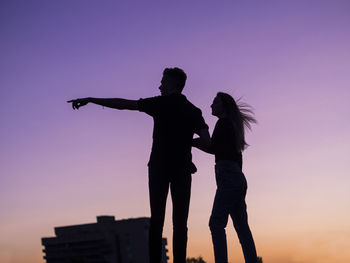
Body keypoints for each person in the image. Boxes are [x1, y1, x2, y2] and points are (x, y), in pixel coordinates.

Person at [67, 67, 210, 263]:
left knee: (157, 221)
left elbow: (123, 104)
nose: (159, 85)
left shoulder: (160, 104)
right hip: (182, 169)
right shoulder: (194, 111)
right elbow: (207, 141)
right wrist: (185, 142)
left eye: (163, 81)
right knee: (180, 223)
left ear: (173, 84)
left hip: (159, 168)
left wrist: (91, 99)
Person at [192, 92, 258, 263]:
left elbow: (212, 147)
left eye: (215, 102)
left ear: (224, 106)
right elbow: (216, 149)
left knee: (216, 223)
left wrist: (191, 142)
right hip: (237, 178)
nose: (211, 106)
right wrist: (196, 142)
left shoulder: (223, 123)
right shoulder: (232, 126)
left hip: (228, 176)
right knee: (242, 228)